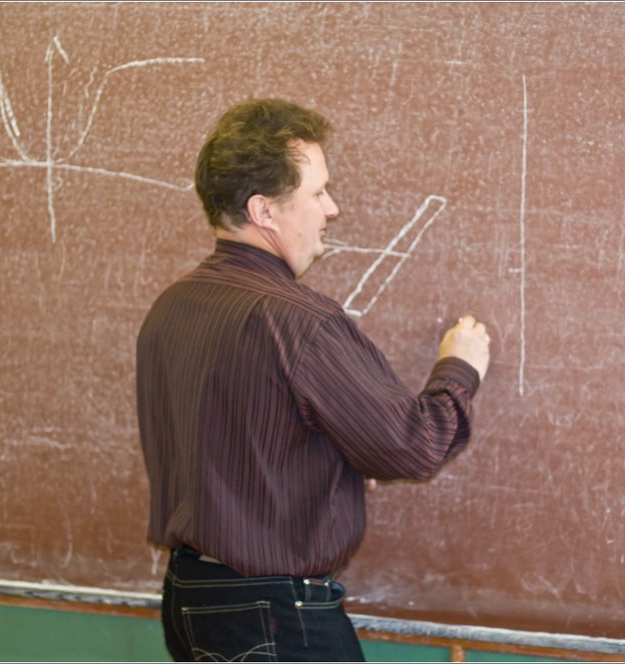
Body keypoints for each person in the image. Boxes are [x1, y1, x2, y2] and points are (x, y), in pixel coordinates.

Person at [136, 98, 490, 662]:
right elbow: (416, 445)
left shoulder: (173, 307)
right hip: (274, 618)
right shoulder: (301, 322)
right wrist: (459, 367)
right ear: (263, 211)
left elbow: (246, 447)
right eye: (318, 192)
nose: (332, 208)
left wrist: (335, 464)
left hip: (190, 601)